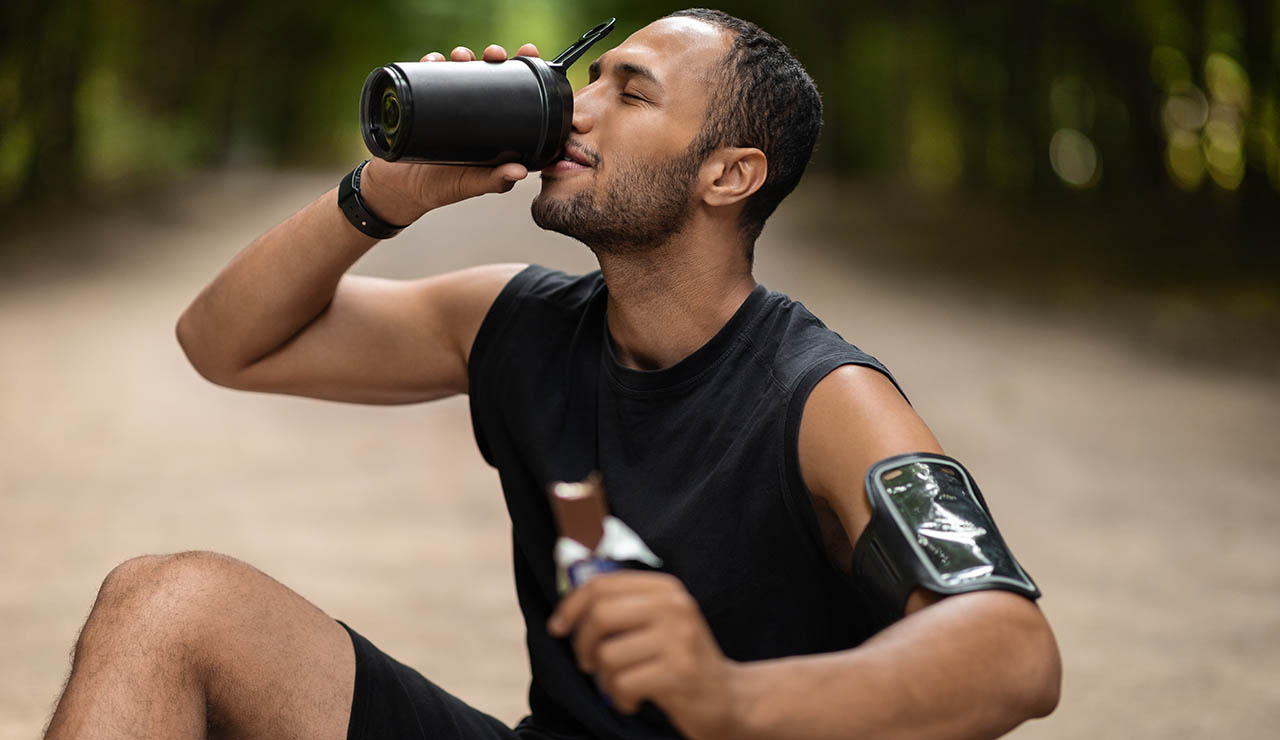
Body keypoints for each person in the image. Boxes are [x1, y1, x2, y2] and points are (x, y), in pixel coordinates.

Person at [43, 8, 1060, 740]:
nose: (574, 110)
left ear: (727, 173)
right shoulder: (517, 323)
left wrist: (733, 702)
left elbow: (1013, 653)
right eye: (588, 79)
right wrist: (381, 196)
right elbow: (223, 341)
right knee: (164, 603)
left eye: (630, 92)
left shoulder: (824, 399)